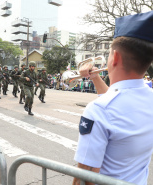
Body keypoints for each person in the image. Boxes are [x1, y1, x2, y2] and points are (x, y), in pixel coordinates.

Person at [73, 11, 153, 185]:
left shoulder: (99, 109)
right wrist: (95, 77)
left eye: (109, 54)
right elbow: (117, 101)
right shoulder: (147, 95)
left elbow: (85, 178)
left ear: (115, 57)